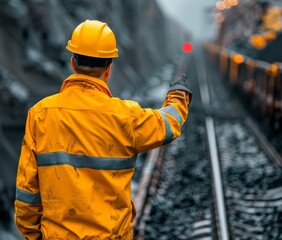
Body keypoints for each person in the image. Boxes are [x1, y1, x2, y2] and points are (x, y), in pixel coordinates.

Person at [14, 19, 192, 239]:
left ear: (72, 62)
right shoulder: (126, 117)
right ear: (109, 68)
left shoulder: (40, 114)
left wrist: (35, 235)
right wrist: (178, 96)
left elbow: (27, 194)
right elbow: (168, 125)